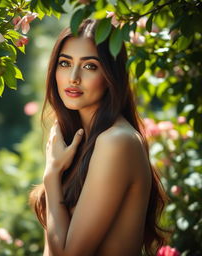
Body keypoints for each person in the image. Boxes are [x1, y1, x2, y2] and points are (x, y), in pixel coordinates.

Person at [30, 19, 167, 256]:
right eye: (65, 63)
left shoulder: (117, 141)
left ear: (110, 75)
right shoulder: (78, 142)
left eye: (90, 66)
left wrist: (51, 175)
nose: (73, 77)